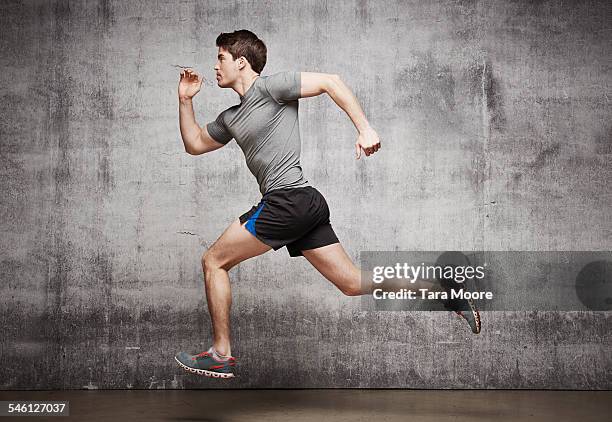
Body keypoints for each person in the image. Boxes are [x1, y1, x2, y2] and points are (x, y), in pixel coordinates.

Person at [174, 30, 480, 379]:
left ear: (240, 61)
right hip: (302, 205)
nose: (215, 66)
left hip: (288, 200)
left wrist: (364, 129)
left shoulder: (272, 88)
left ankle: (221, 353)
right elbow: (195, 143)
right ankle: (442, 287)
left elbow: (331, 82)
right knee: (351, 284)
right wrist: (185, 100)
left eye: (221, 58)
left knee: (213, 260)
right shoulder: (231, 117)